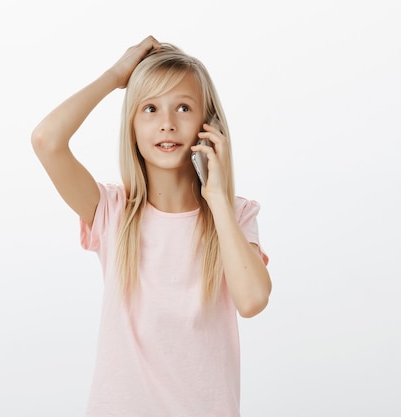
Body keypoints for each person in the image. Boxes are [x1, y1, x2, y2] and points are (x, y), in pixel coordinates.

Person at [31, 35, 272, 417]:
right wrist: (115, 76)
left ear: (208, 126)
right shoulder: (111, 212)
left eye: (183, 107)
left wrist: (219, 198)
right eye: (150, 109)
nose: (167, 124)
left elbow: (253, 300)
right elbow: (46, 140)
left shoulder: (235, 215)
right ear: (132, 125)